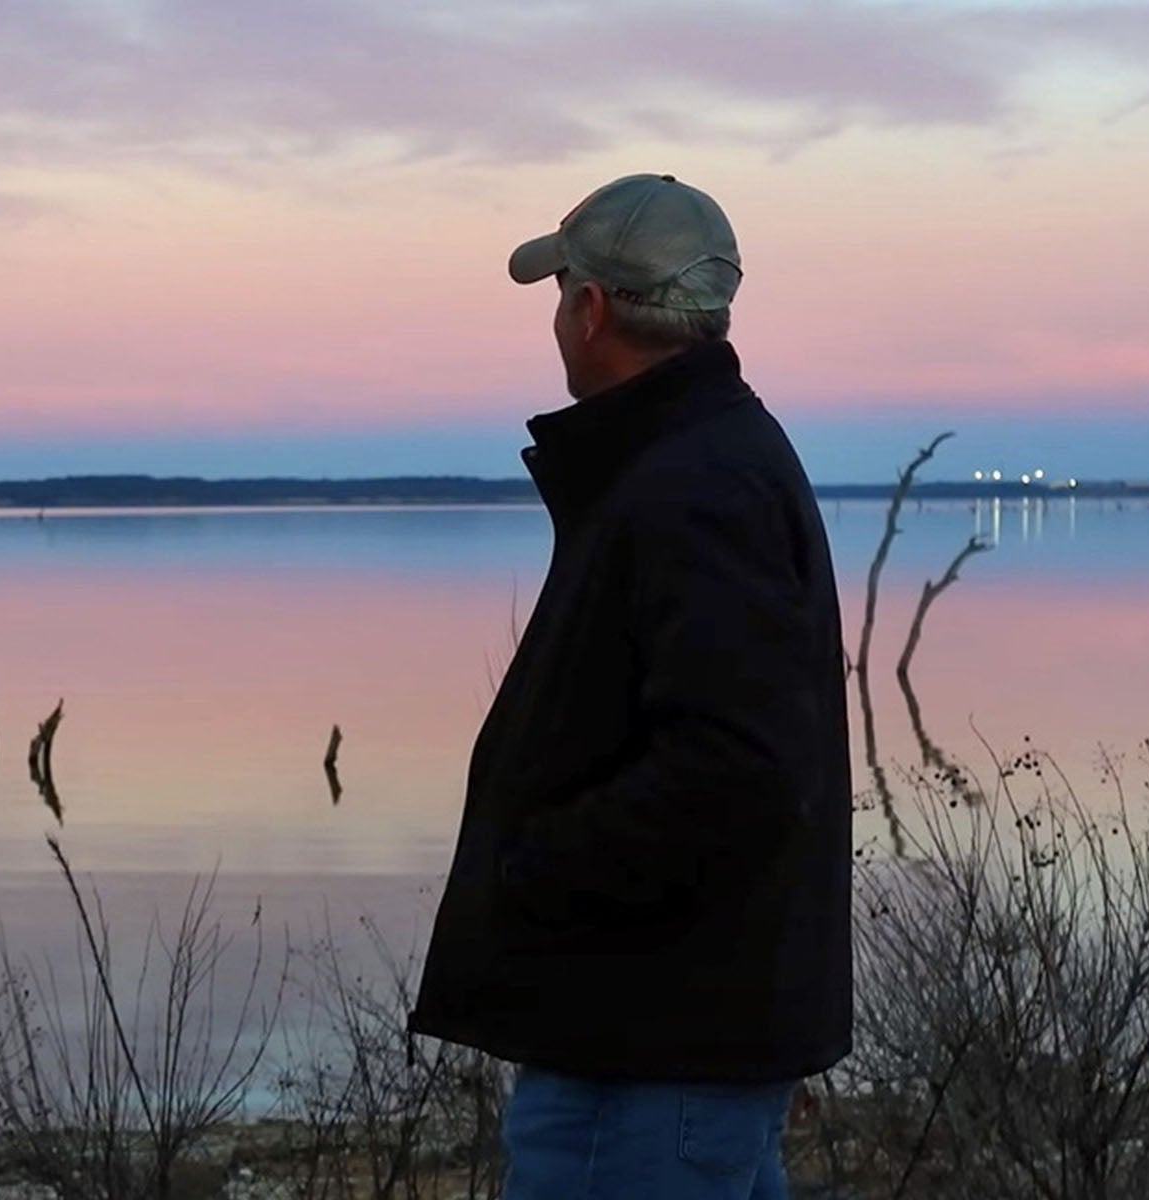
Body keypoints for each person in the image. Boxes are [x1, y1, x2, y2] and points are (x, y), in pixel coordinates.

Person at [406, 174, 853, 1200]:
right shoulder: (697, 458)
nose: (559, 315)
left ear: (591, 306)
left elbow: (734, 769)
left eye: (561, 288)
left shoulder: (693, 483)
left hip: (648, 1055)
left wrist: (538, 866)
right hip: (676, 1041)